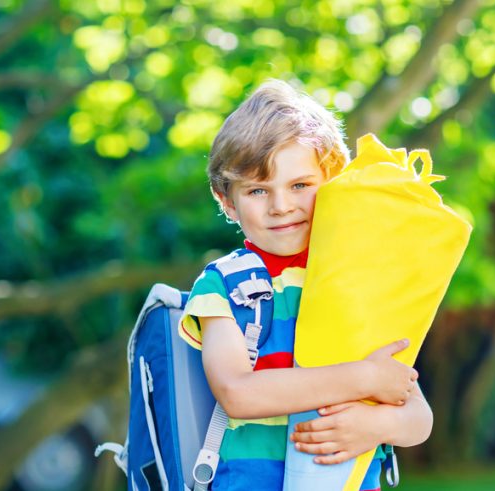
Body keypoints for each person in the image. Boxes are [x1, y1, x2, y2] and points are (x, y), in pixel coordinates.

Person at [177, 79, 433, 491]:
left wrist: (379, 423)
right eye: (258, 190)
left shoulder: (358, 281)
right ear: (227, 200)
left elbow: (418, 417)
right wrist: (363, 378)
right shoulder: (224, 285)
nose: (281, 206)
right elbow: (238, 393)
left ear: (332, 181)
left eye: (300, 185)